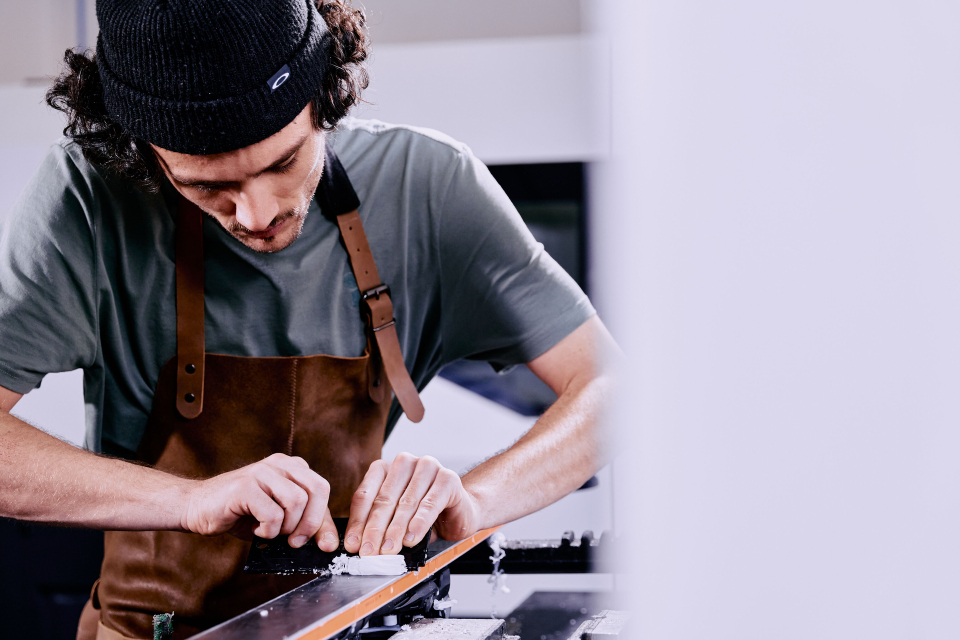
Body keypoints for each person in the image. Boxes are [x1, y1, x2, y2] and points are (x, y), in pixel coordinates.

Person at [0, 0, 617, 638]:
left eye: (282, 162)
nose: (257, 213)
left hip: (353, 625)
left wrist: (475, 500)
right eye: (205, 186)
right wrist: (188, 499)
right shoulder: (85, 197)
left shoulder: (429, 187)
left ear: (325, 97)